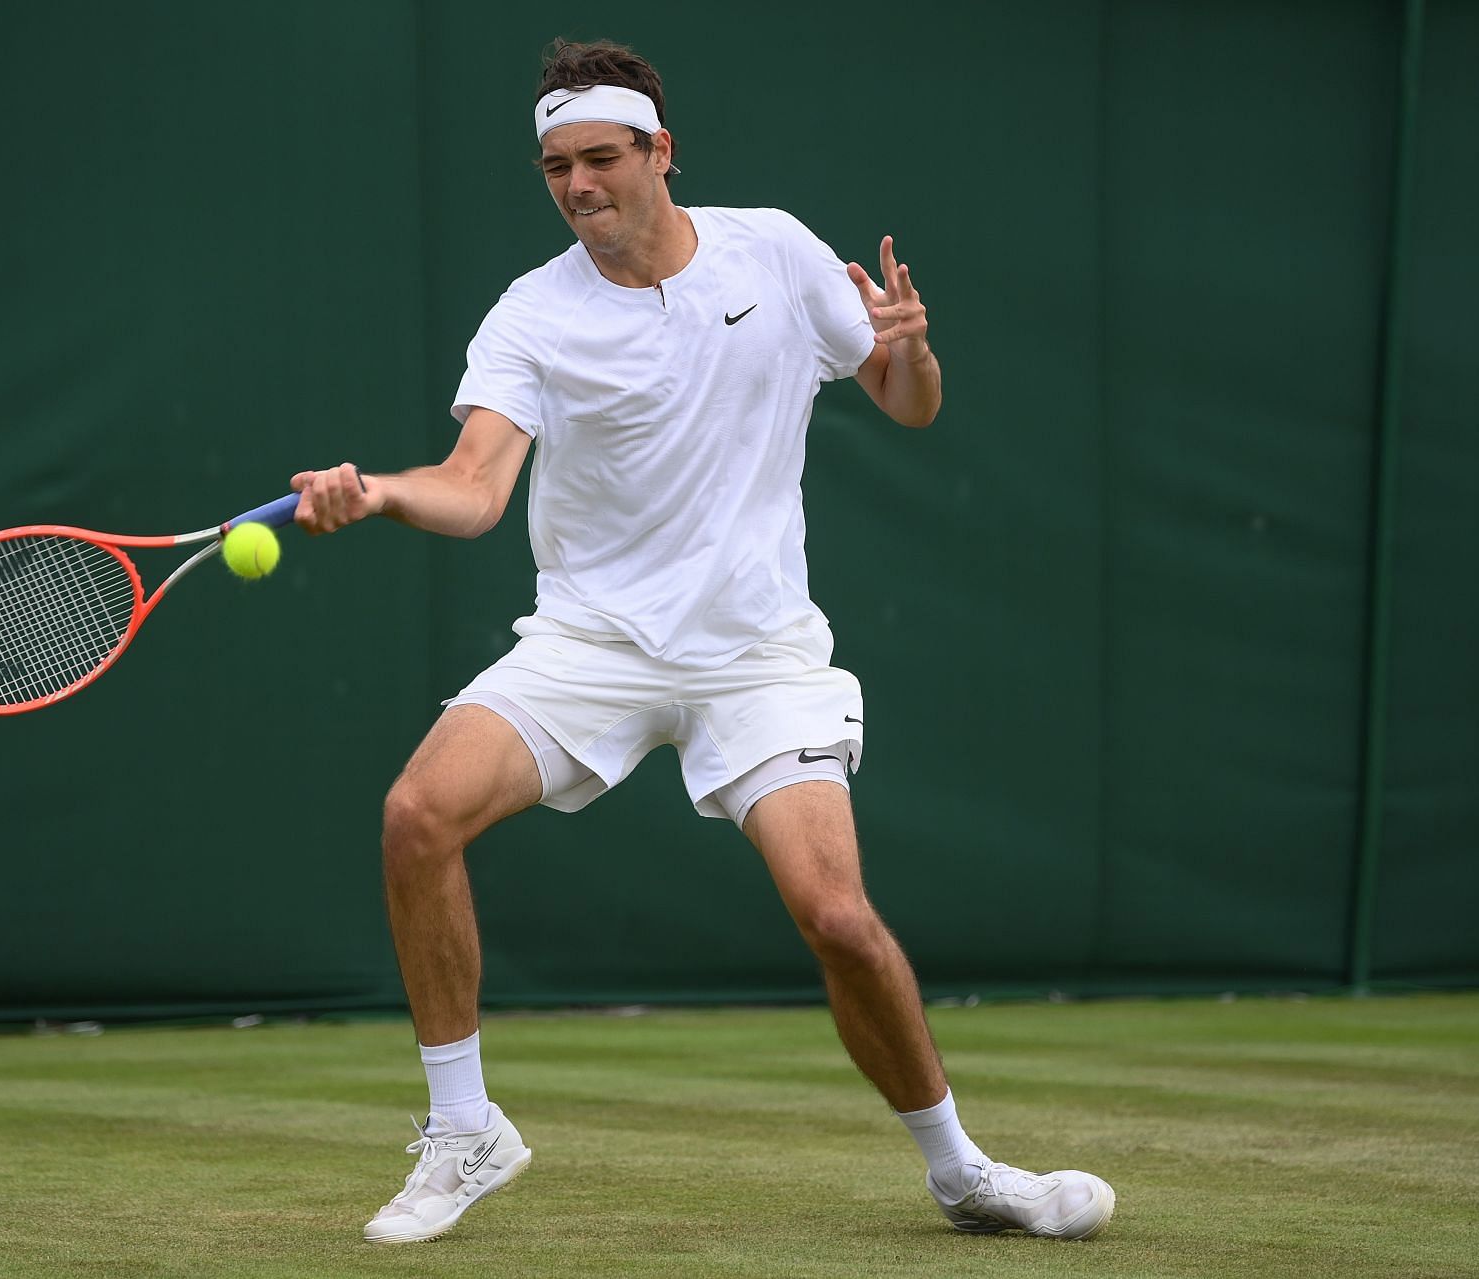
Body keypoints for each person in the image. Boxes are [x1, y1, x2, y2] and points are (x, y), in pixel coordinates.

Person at [289, 37, 1115, 1247]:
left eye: (603, 158)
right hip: (592, 644)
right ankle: (464, 1127)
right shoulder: (533, 311)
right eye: (556, 166)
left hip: (758, 656)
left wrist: (913, 345)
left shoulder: (772, 251)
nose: (579, 186)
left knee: (836, 915)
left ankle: (964, 1171)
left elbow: (905, 399)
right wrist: (381, 494)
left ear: (660, 152)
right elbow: (473, 490)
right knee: (420, 813)